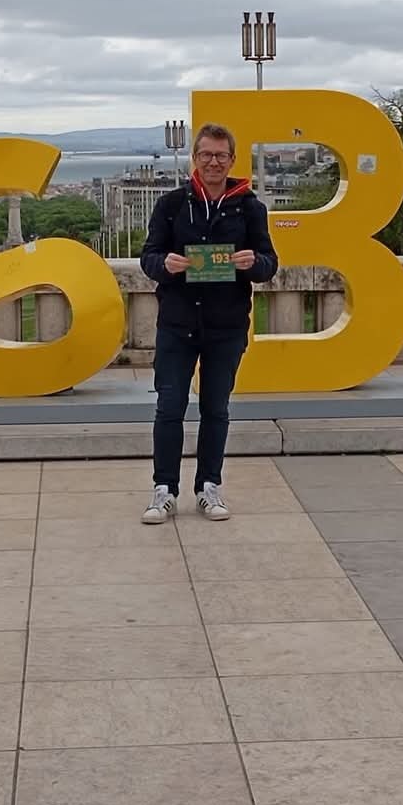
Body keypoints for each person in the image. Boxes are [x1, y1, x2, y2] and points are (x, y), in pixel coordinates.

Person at [137, 122, 279, 523]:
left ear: (232, 160)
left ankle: (208, 487)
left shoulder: (250, 207)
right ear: (195, 160)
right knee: (169, 407)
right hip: (177, 326)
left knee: (216, 409)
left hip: (227, 326)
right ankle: (164, 490)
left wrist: (254, 263)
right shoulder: (171, 205)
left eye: (220, 155)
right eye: (206, 155)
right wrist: (164, 264)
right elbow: (148, 257)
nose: (213, 162)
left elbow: (270, 264)